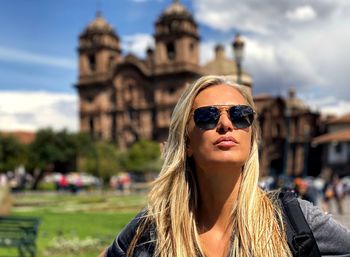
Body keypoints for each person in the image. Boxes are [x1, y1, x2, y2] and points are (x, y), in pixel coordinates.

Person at [100, 75, 350, 257]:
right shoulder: (151, 229)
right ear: (186, 141)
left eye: (241, 115)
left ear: (251, 136)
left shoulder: (295, 220)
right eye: (207, 116)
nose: (225, 124)